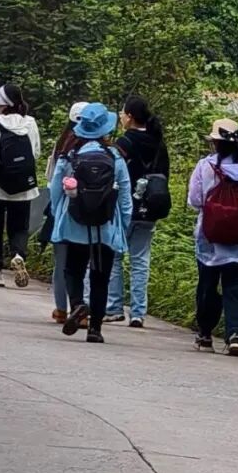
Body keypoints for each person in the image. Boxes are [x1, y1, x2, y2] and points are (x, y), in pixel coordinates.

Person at [49, 101, 133, 340]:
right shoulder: (115, 156)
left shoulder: (70, 155)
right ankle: (95, 329)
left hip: (75, 223)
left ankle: (77, 304)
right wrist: (123, 224)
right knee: (101, 276)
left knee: (72, 269)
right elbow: (125, 195)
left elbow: (56, 190)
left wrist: (58, 215)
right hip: (105, 225)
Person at [188, 118, 238, 357]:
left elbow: (195, 200)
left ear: (215, 143)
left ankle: (205, 334)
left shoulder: (205, 166)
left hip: (209, 237)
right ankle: (235, 334)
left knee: (207, 286)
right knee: (237, 287)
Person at [108, 94, 171, 328]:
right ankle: (138, 312)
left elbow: (113, 171)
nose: (121, 118)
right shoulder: (158, 142)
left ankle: (114, 308)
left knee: (115, 256)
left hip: (124, 207)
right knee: (140, 260)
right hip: (151, 207)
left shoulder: (124, 142)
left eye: (123, 114)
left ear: (130, 116)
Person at [0, 83, 42, 289]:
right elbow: (36, 153)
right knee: (20, 227)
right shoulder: (30, 123)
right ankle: (18, 254)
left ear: (4, 105)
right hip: (23, 186)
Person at [44, 104, 87, 321]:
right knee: (85, 265)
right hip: (92, 215)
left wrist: (55, 210)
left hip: (64, 211)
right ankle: (82, 308)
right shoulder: (106, 151)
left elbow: (51, 180)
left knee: (61, 264)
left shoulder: (63, 145)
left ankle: (61, 309)